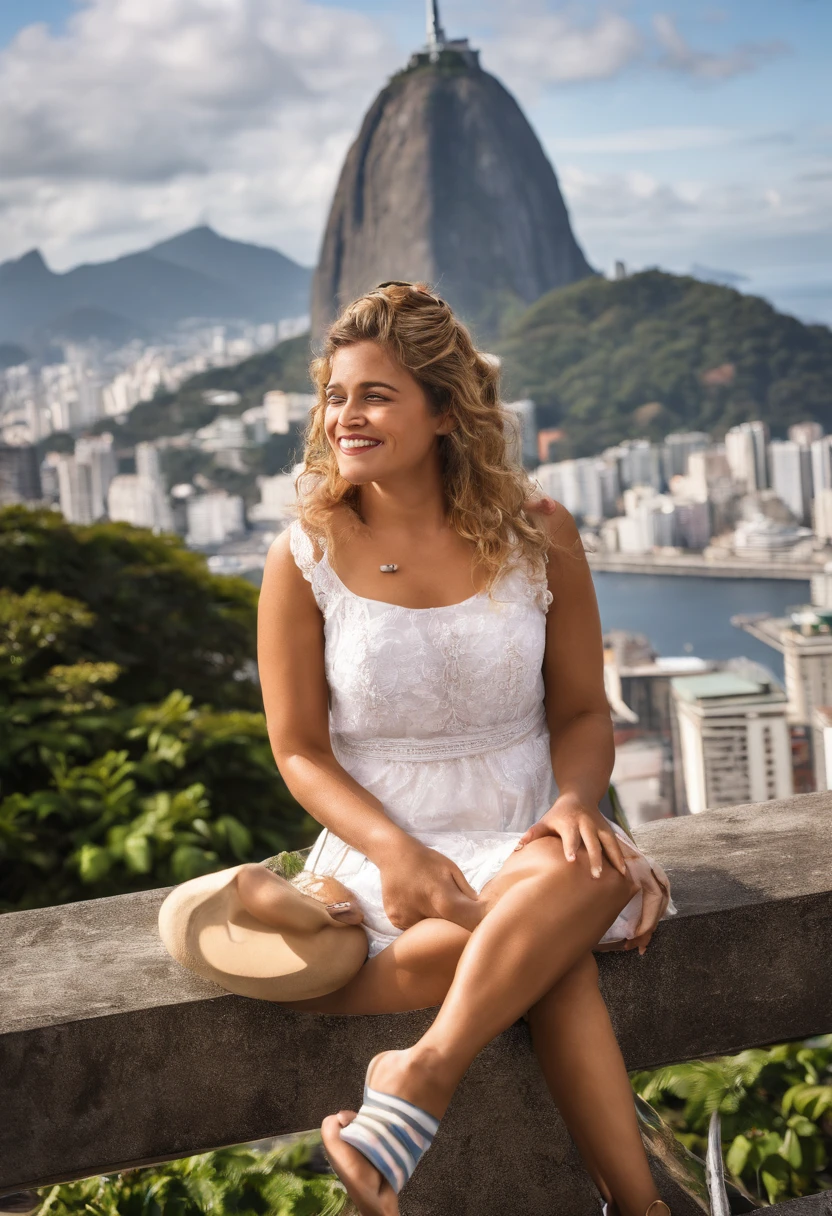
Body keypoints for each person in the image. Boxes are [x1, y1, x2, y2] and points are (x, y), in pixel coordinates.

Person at [255, 281, 676, 1216]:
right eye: (334, 394)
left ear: (446, 411)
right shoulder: (305, 555)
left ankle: (417, 1075)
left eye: (375, 395)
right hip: (384, 853)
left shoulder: (539, 533)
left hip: (527, 832)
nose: (344, 418)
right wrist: (399, 852)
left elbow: (579, 712)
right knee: (554, 950)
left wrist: (574, 801)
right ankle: (642, 1209)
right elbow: (299, 751)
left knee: (587, 866)